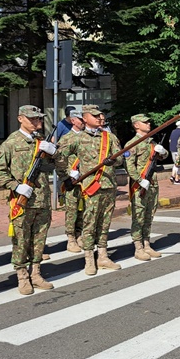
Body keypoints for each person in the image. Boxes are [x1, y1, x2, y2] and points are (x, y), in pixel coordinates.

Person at [0, 105, 57, 295]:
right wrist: (15, 186)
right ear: (21, 119)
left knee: (39, 239)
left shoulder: (41, 141)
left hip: (42, 198)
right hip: (23, 200)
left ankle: (36, 273)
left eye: (38, 119)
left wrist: (54, 152)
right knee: (21, 240)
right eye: (32, 119)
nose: (37, 122)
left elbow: (53, 167)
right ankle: (22, 275)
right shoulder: (11, 143)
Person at [56, 105, 124, 274]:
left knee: (105, 222)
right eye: (94, 116)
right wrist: (66, 175)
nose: (99, 118)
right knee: (89, 223)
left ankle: (102, 255)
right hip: (90, 186)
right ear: (84, 118)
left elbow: (120, 158)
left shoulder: (109, 137)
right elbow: (58, 156)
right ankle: (88, 258)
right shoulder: (76, 138)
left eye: (100, 115)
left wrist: (113, 161)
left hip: (108, 185)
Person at [125, 114, 169, 260]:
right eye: (145, 122)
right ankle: (138, 247)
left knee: (149, 214)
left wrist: (163, 152)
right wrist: (139, 180)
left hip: (153, 183)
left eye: (148, 121)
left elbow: (162, 156)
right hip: (140, 185)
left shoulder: (151, 142)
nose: (148, 124)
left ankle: (147, 244)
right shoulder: (132, 144)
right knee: (139, 216)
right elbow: (129, 166)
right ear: (136, 125)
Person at [57, 109, 85, 253]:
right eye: (80, 120)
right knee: (72, 209)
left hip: (87, 180)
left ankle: (80, 234)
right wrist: (67, 175)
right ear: (73, 120)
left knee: (84, 209)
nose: (83, 122)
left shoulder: (89, 137)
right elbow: (60, 160)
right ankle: (71, 238)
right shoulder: (66, 139)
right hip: (72, 180)